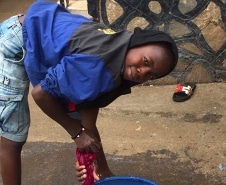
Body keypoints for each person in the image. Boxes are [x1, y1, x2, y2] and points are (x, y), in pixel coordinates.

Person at [0, 1, 178, 184]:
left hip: (41, 28)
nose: (143, 72)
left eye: (151, 75)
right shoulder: (96, 64)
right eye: (145, 62)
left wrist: (99, 169)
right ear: (137, 43)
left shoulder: (120, 57)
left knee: (78, 120)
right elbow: (40, 94)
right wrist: (76, 133)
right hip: (15, 41)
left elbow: (88, 117)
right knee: (12, 137)